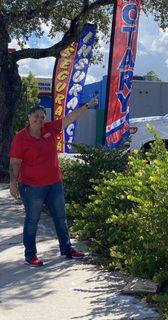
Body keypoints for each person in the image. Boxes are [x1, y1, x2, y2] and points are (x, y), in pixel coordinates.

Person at [9, 97, 98, 267]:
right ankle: (31, 255)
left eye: (42, 116)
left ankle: (67, 249)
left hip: (54, 184)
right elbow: (14, 162)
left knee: (60, 218)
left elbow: (70, 118)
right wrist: (13, 184)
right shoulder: (20, 137)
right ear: (29, 117)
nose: (39, 119)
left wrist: (87, 106)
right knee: (32, 220)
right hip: (32, 187)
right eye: (36, 116)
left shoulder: (50, 128)